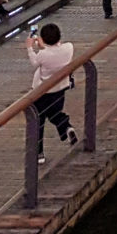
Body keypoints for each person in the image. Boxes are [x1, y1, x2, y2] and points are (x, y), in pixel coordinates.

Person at [26, 23, 79, 159]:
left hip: (42, 91)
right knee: (55, 113)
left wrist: (30, 47)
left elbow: (35, 62)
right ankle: (66, 127)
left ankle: (39, 153)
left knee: (39, 120)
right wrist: (44, 46)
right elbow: (55, 51)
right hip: (60, 88)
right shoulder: (69, 48)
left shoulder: (42, 55)